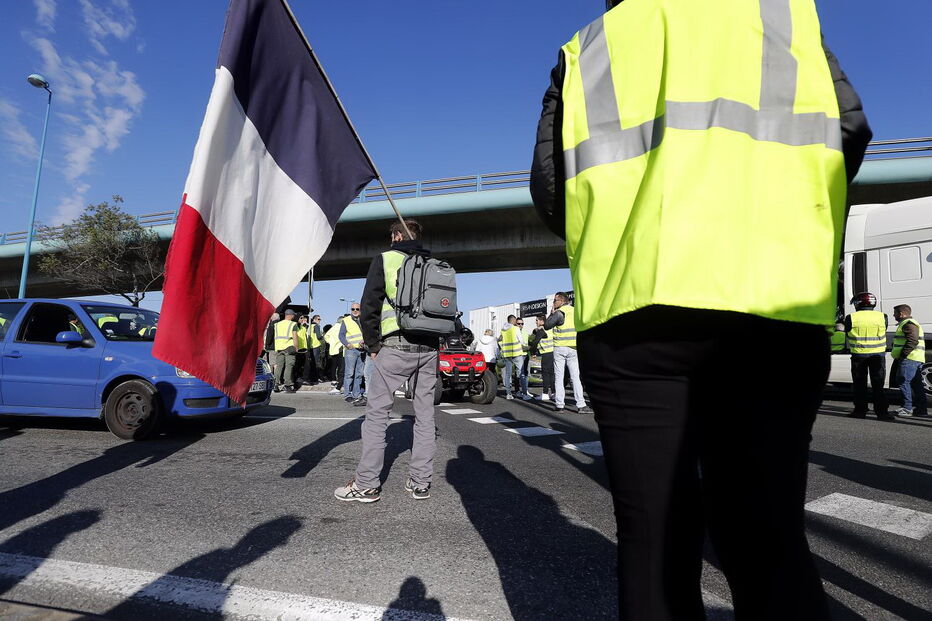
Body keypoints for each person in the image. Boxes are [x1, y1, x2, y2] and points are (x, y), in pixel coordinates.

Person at [530, 0, 871, 618]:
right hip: (771, 296)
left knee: (655, 536)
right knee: (767, 534)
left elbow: (551, 189)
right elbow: (848, 131)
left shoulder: (592, 43)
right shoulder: (784, 17)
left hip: (635, 307)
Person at [334, 218, 439, 502]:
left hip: (395, 345)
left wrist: (373, 345)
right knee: (425, 416)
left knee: (378, 415)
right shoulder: (433, 263)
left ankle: (367, 484)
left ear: (395, 236)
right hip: (429, 348)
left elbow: (370, 305)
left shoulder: (385, 259)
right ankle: (420, 483)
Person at [844, 292, 892, 420]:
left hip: (859, 356)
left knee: (860, 385)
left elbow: (847, 333)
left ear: (858, 304)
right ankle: (882, 413)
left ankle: (860, 411)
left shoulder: (851, 317)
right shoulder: (883, 316)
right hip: (878, 356)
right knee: (878, 385)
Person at [543, 293, 592, 414]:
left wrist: (551, 313)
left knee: (559, 378)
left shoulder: (560, 313)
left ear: (561, 300)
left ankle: (560, 405)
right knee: (576, 377)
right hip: (574, 348)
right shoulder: (576, 311)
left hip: (560, 348)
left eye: (555, 301)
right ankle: (581, 405)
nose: (554, 303)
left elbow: (547, 325)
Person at [891, 304, 927, 418]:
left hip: (910, 358)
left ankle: (907, 408)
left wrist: (903, 355)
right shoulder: (909, 323)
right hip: (915, 358)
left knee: (903, 381)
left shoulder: (908, 324)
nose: (894, 315)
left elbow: (912, 340)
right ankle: (921, 410)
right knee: (916, 384)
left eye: (895, 313)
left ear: (901, 314)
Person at [340, 303, 367, 405]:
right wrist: (347, 344)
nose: (355, 310)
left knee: (359, 374)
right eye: (353, 309)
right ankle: (347, 395)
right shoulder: (346, 320)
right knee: (349, 373)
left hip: (362, 349)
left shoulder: (364, 319)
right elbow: (341, 335)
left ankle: (356, 394)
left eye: (357, 309)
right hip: (351, 350)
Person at [498, 315, 530, 400]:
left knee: (508, 374)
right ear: (513, 320)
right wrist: (525, 346)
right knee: (521, 373)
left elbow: (500, 341)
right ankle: (524, 394)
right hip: (517, 353)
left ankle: (508, 394)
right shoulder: (515, 328)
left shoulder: (503, 330)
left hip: (507, 355)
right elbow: (521, 340)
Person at [272, 309, 300, 393]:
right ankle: (288, 385)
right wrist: (296, 347)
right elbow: (295, 337)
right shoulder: (293, 324)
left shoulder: (277, 324)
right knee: (289, 366)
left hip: (279, 348)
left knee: (279, 366)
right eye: (293, 315)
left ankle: (275, 385)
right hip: (289, 348)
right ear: (290, 315)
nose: (294, 316)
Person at [529, 315, 555, 401]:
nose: (535, 322)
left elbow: (535, 342)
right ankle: (554, 393)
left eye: (536, 320)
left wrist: (533, 353)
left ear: (542, 321)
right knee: (551, 374)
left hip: (546, 354)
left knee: (545, 374)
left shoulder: (542, 330)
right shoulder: (551, 329)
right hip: (553, 353)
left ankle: (545, 394)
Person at [324, 319, 344, 395]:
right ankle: (340, 381)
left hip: (333, 349)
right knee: (341, 366)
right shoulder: (342, 327)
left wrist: (330, 342)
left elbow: (326, 336)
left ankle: (333, 380)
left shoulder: (333, 328)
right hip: (340, 349)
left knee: (334, 366)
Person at [311, 314, 326, 381]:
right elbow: (318, 336)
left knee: (312, 362)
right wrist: (323, 337)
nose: (319, 321)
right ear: (314, 319)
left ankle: (312, 377)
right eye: (318, 319)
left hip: (310, 346)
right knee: (317, 363)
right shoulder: (316, 326)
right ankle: (316, 378)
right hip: (316, 345)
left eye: (320, 319)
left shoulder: (310, 326)